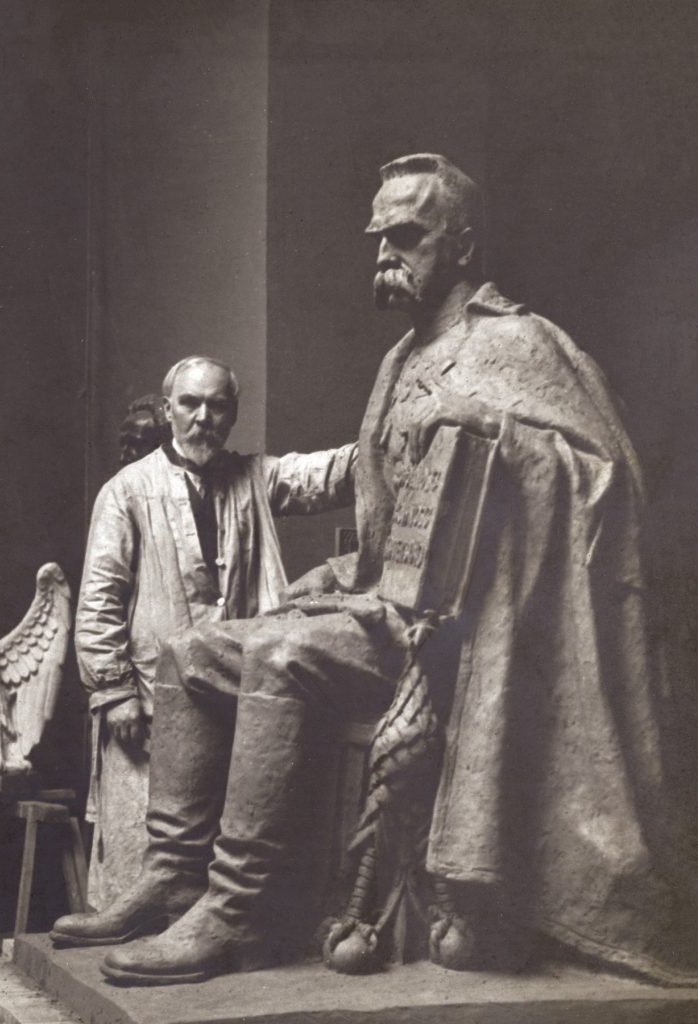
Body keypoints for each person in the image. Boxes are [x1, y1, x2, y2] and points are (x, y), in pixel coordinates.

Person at [63, 154, 698, 988]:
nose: (384, 254)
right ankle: (173, 876)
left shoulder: (519, 343)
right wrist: (343, 571)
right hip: (382, 604)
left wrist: (497, 433)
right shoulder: (400, 359)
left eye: (406, 236)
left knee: (280, 655)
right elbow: (390, 518)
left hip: (460, 636)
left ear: (462, 246)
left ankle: (234, 907)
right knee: (190, 653)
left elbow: (607, 485)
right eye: (378, 238)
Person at [63, 355, 358, 917]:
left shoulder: (256, 478)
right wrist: (114, 690)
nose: (203, 418)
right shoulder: (127, 491)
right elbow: (99, 598)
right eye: (190, 404)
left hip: (232, 695)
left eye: (217, 406)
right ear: (168, 409)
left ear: (233, 413)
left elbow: (330, 474)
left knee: (220, 845)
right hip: (147, 701)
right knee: (144, 850)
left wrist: (396, 430)